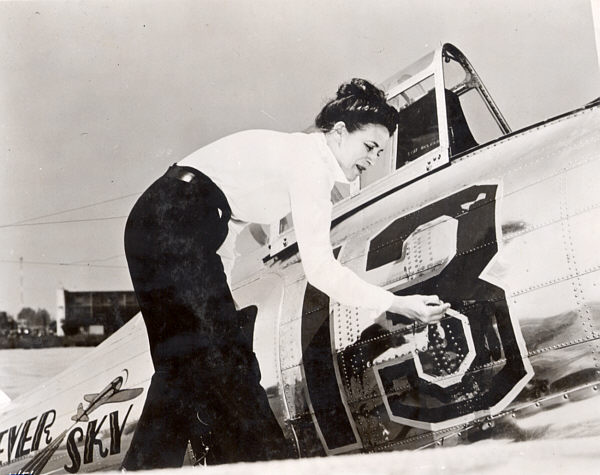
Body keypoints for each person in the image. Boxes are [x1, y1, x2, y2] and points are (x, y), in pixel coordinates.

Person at [121, 78, 450, 469]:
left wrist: (220, 300)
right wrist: (397, 302)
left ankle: (144, 467)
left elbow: (225, 228)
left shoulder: (292, 155)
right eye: (368, 146)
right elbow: (322, 270)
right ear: (340, 131)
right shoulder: (311, 163)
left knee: (184, 364)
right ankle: (265, 463)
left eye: (380, 150)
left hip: (157, 221)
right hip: (175, 222)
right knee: (230, 362)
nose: (373, 158)